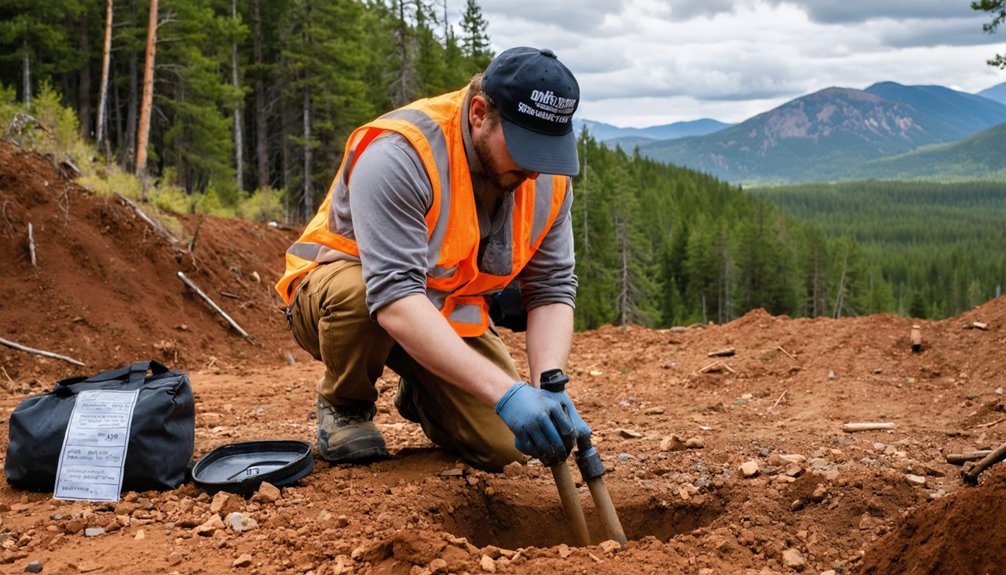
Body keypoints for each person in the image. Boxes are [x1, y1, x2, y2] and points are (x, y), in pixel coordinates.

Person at [275, 47, 591, 472]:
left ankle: (423, 387)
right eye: (524, 148)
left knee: (508, 447)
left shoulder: (548, 180)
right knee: (360, 291)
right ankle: (345, 405)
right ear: (479, 112)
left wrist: (549, 383)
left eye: (545, 151)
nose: (535, 170)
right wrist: (506, 393)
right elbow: (395, 296)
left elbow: (551, 288)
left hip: (442, 311)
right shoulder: (401, 153)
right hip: (347, 299)